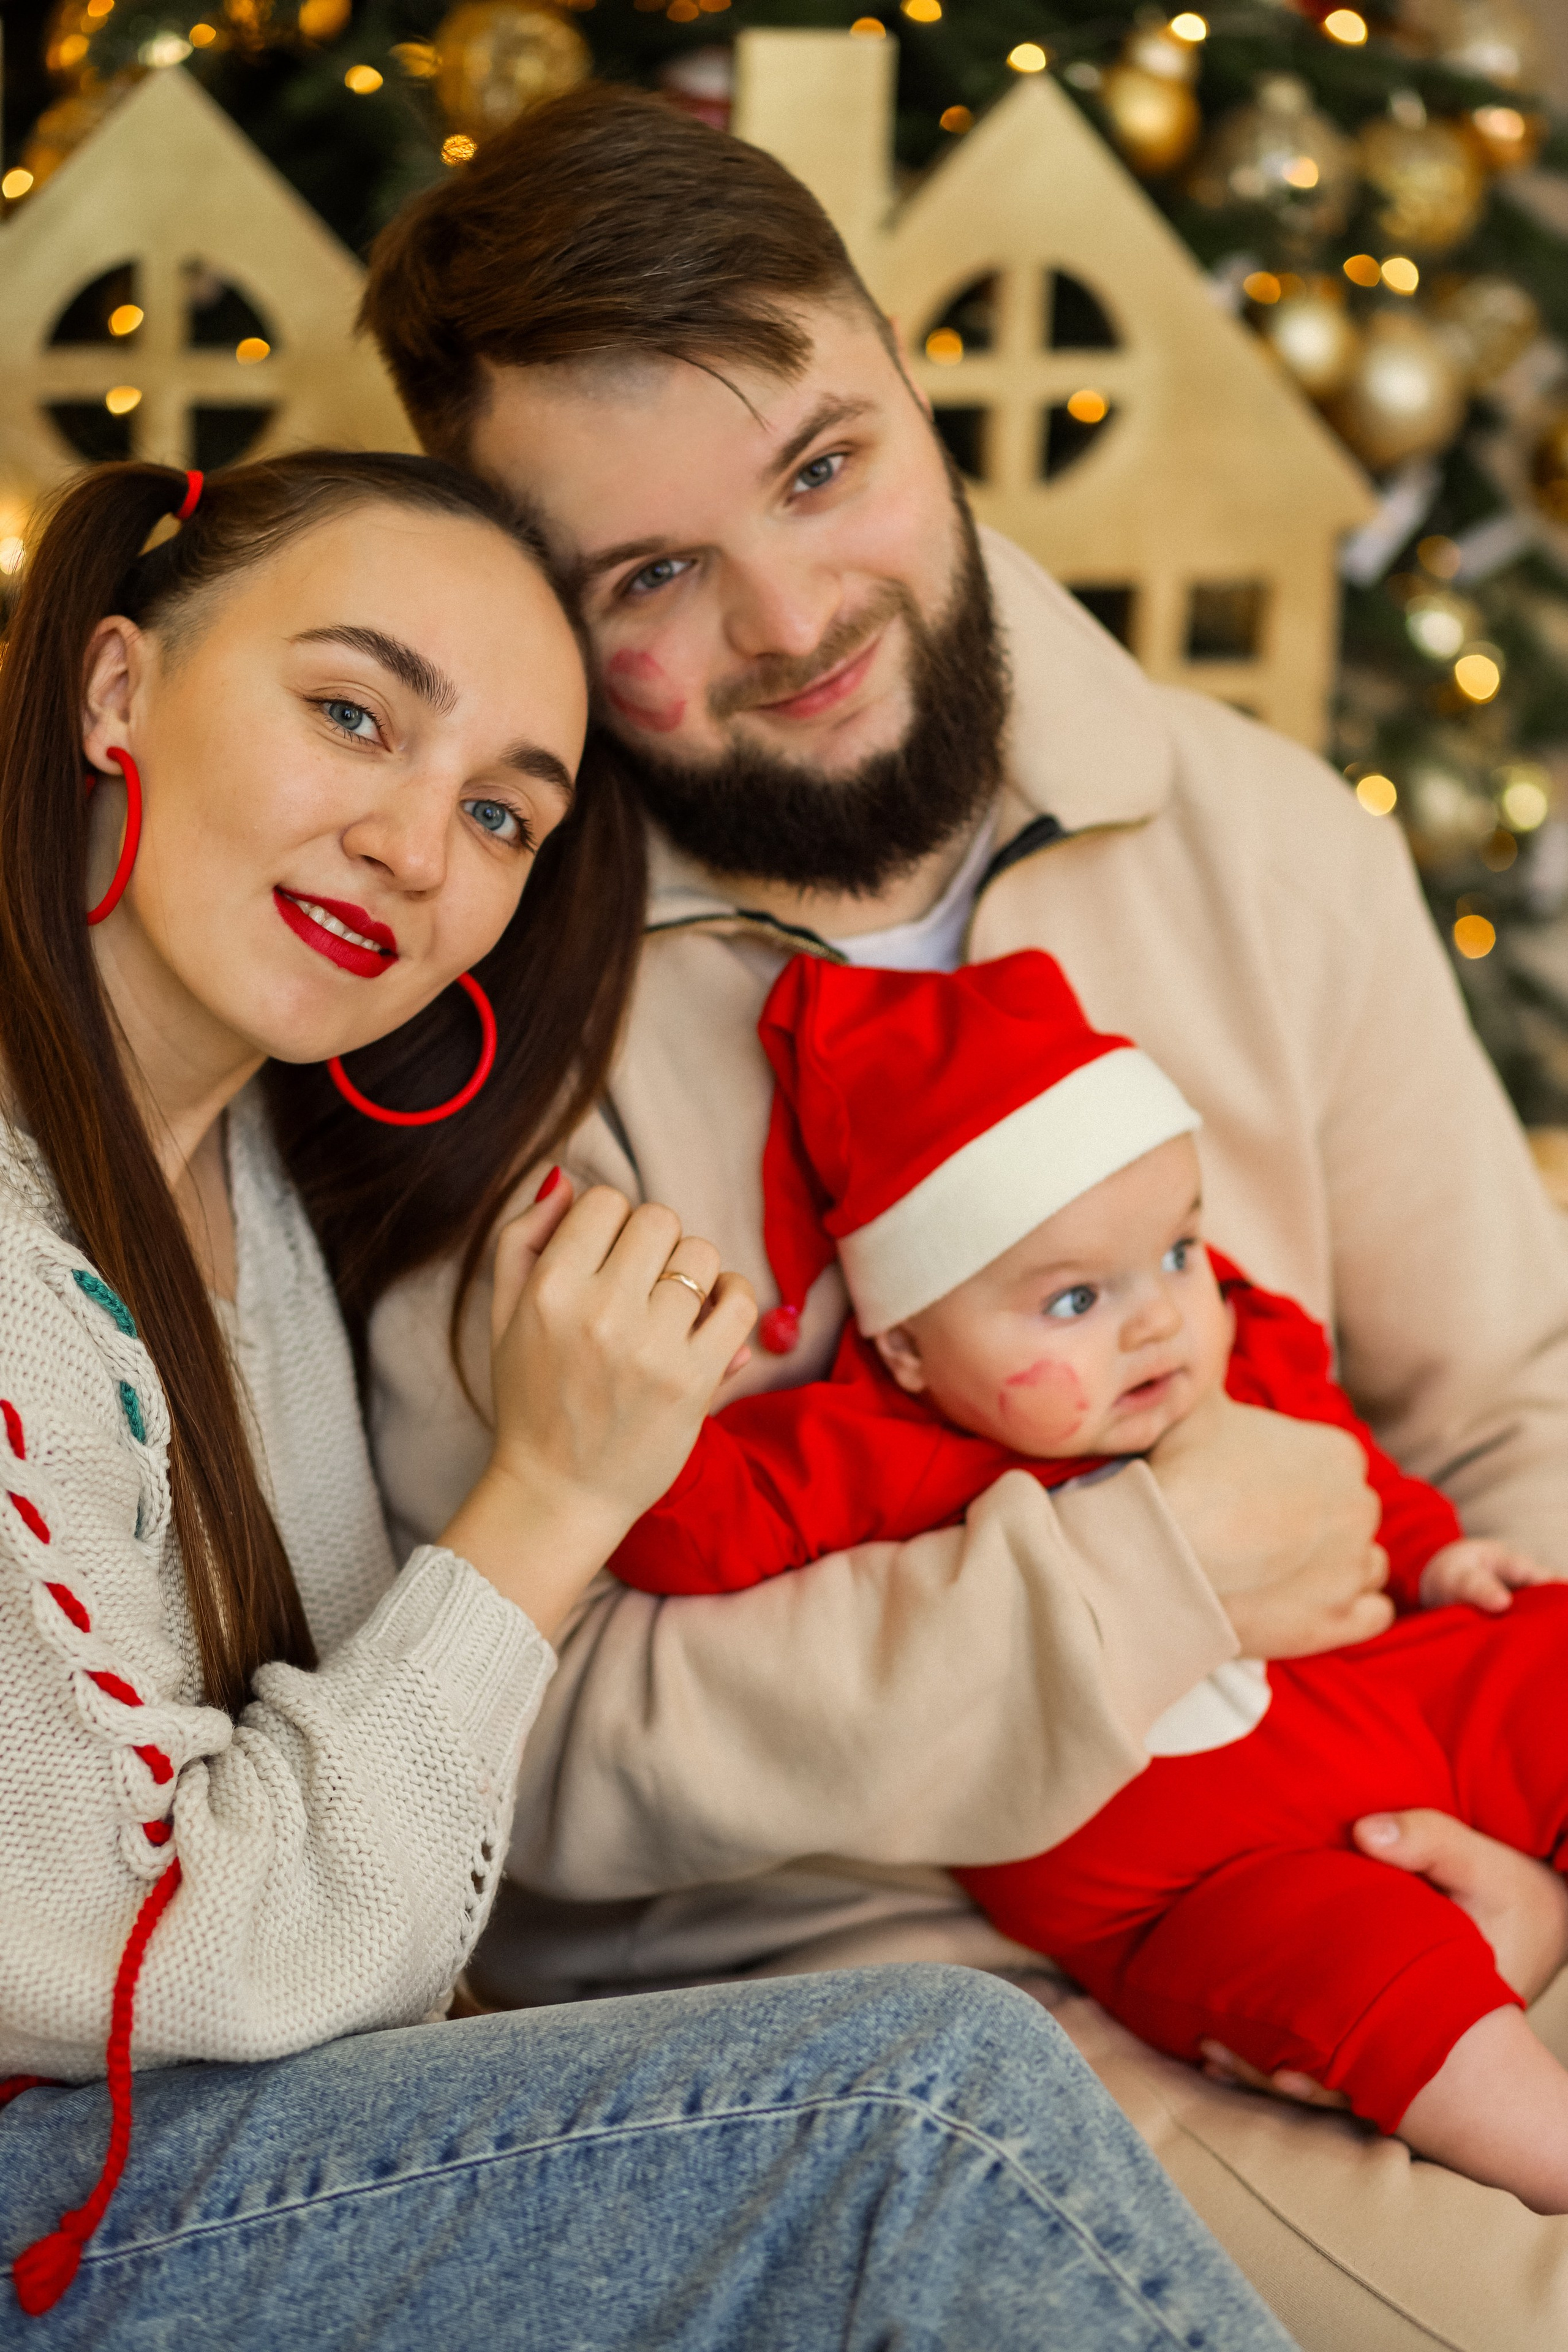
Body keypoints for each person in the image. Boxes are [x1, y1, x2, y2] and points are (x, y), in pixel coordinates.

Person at [360, 86, 1568, 2345]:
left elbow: (1509, 1416)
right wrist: (1139, 1580)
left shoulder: (1268, 836)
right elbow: (510, 1758)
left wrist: (1524, 1871)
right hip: (915, 1995)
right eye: (650, 577)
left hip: (1395, 1818)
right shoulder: (484, 1022)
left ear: (921, 384)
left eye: (825, 468)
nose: (797, 616)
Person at [0, 452, 1300, 2351]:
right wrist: (551, 1492)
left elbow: (368, 1916)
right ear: (119, 691)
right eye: (351, 714)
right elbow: (172, 1962)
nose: (417, 848)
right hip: (63, 2182)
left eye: (506, 814)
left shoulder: (248, 1186)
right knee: (922, 2109)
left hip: (182, 2144)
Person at [609, 947, 1568, 2208]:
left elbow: (1347, 1475)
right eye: (1072, 1299)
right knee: (1353, 1968)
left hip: (1384, 1700)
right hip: (1196, 1877)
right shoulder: (875, 1455)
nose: (1163, 1318)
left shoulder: (1236, 1350)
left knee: (1543, 1653)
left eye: (1176, 1253)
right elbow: (674, 1531)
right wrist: (631, 1371)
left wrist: (1437, 1550)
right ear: (902, 1346)